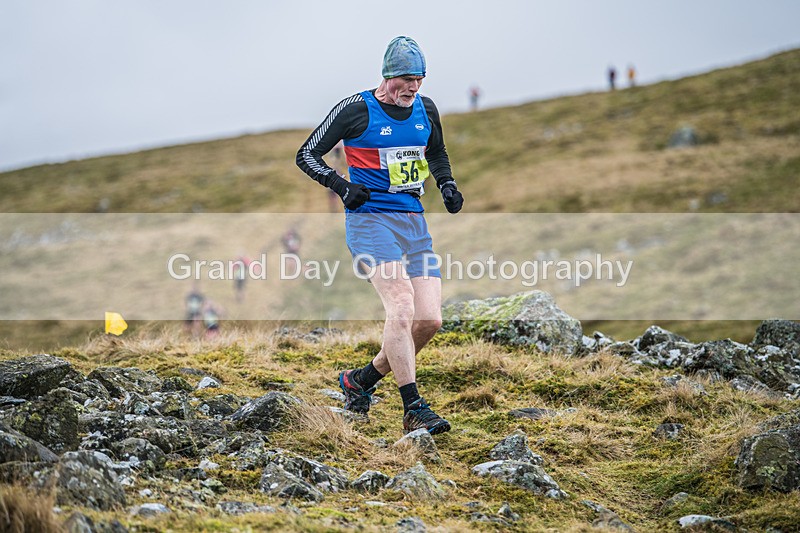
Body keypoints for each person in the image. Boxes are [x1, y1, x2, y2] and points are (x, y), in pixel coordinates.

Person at [296, 36, 464, 435]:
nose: (414, 87)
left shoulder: (426, 108)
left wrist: (447, 184)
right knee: (402, 308)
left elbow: (435, 152)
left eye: (420, 79)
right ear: (388, 76)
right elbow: (306, 154)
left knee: (429, 319)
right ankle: (413, 408)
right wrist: (341, 186)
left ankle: (361, 381)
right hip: (370, 221)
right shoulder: (356, 110)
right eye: (407, 79)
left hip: (413, 223)